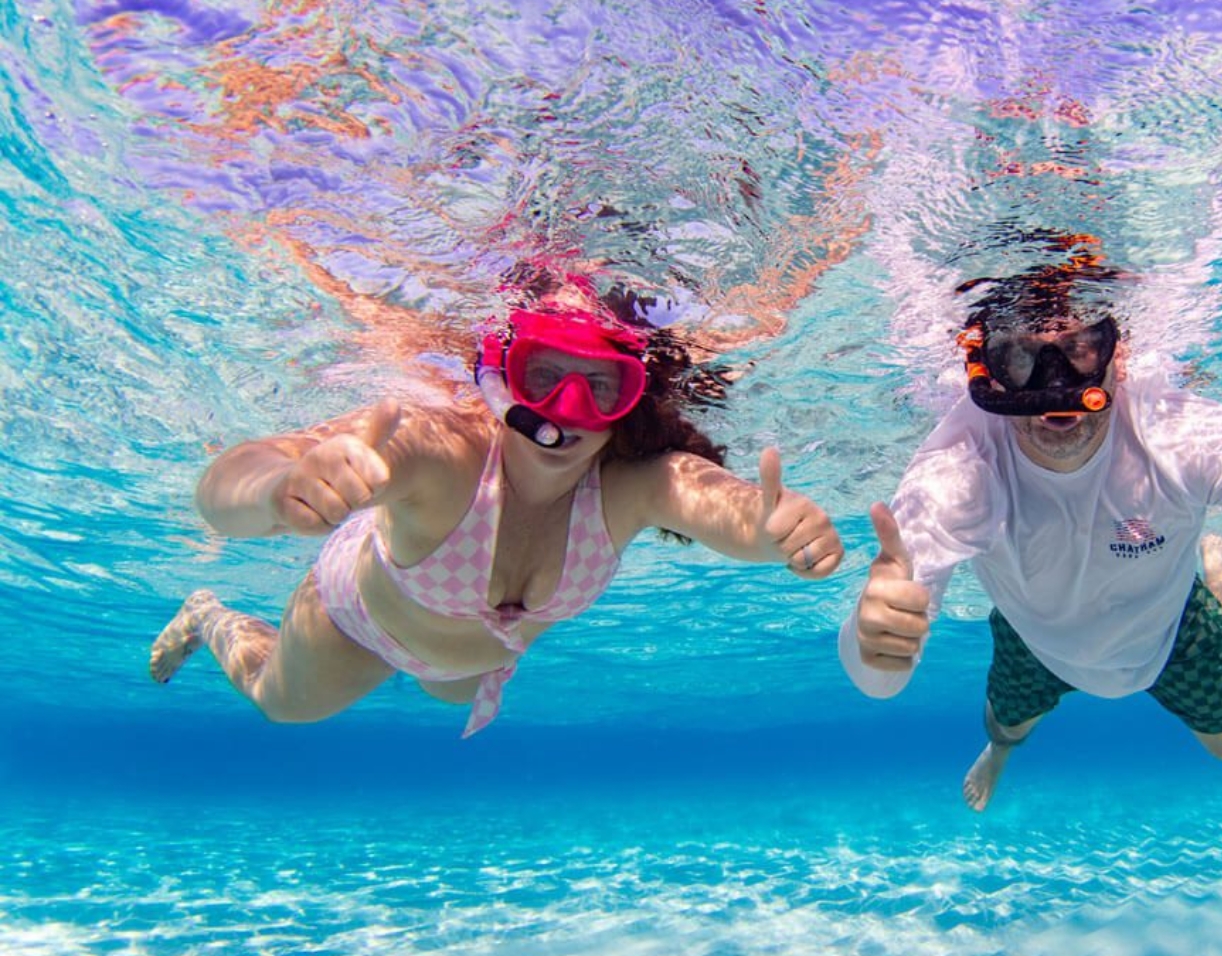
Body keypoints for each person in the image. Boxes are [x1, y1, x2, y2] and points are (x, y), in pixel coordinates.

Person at [841, 240, 1222, 810]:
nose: (1055, 391)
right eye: (1020, 356)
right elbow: (881, 681)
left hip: (1167, 630)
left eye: (1079, 348)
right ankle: (1001, 751)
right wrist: (875, 645)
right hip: (1032, 634)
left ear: (1118, 353)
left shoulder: (1181, 434)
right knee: (1004, 726)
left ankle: (1216, 575)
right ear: (986, 367)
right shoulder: (960, 467)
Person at [151, 273, 845, 737]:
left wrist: (778, 531)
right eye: (543, 378)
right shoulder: (444, 452)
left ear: (633, 398)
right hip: (354, 619)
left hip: (469, 662)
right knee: (285, 705)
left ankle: (436, 670)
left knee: (451, 690)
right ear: (500, 378)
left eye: (601, 387)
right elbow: (227, 488)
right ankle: (207, 614)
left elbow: (721, 511)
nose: (568, 414)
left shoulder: (635, 485)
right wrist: (278, 487)